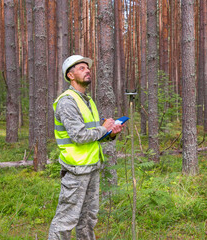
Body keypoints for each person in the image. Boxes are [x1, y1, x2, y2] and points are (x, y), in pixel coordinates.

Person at [48, 55, 125, 239]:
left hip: (92, 168)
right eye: (81, 68)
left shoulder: (87, 101)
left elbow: (94, 136)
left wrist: (111, 133)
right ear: (70, 75)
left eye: (87, 67)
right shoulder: (67, 101)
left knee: (88, 219)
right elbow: (80, 136)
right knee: (65, 220)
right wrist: (103, 128)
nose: (87, 70)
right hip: (76, 170)